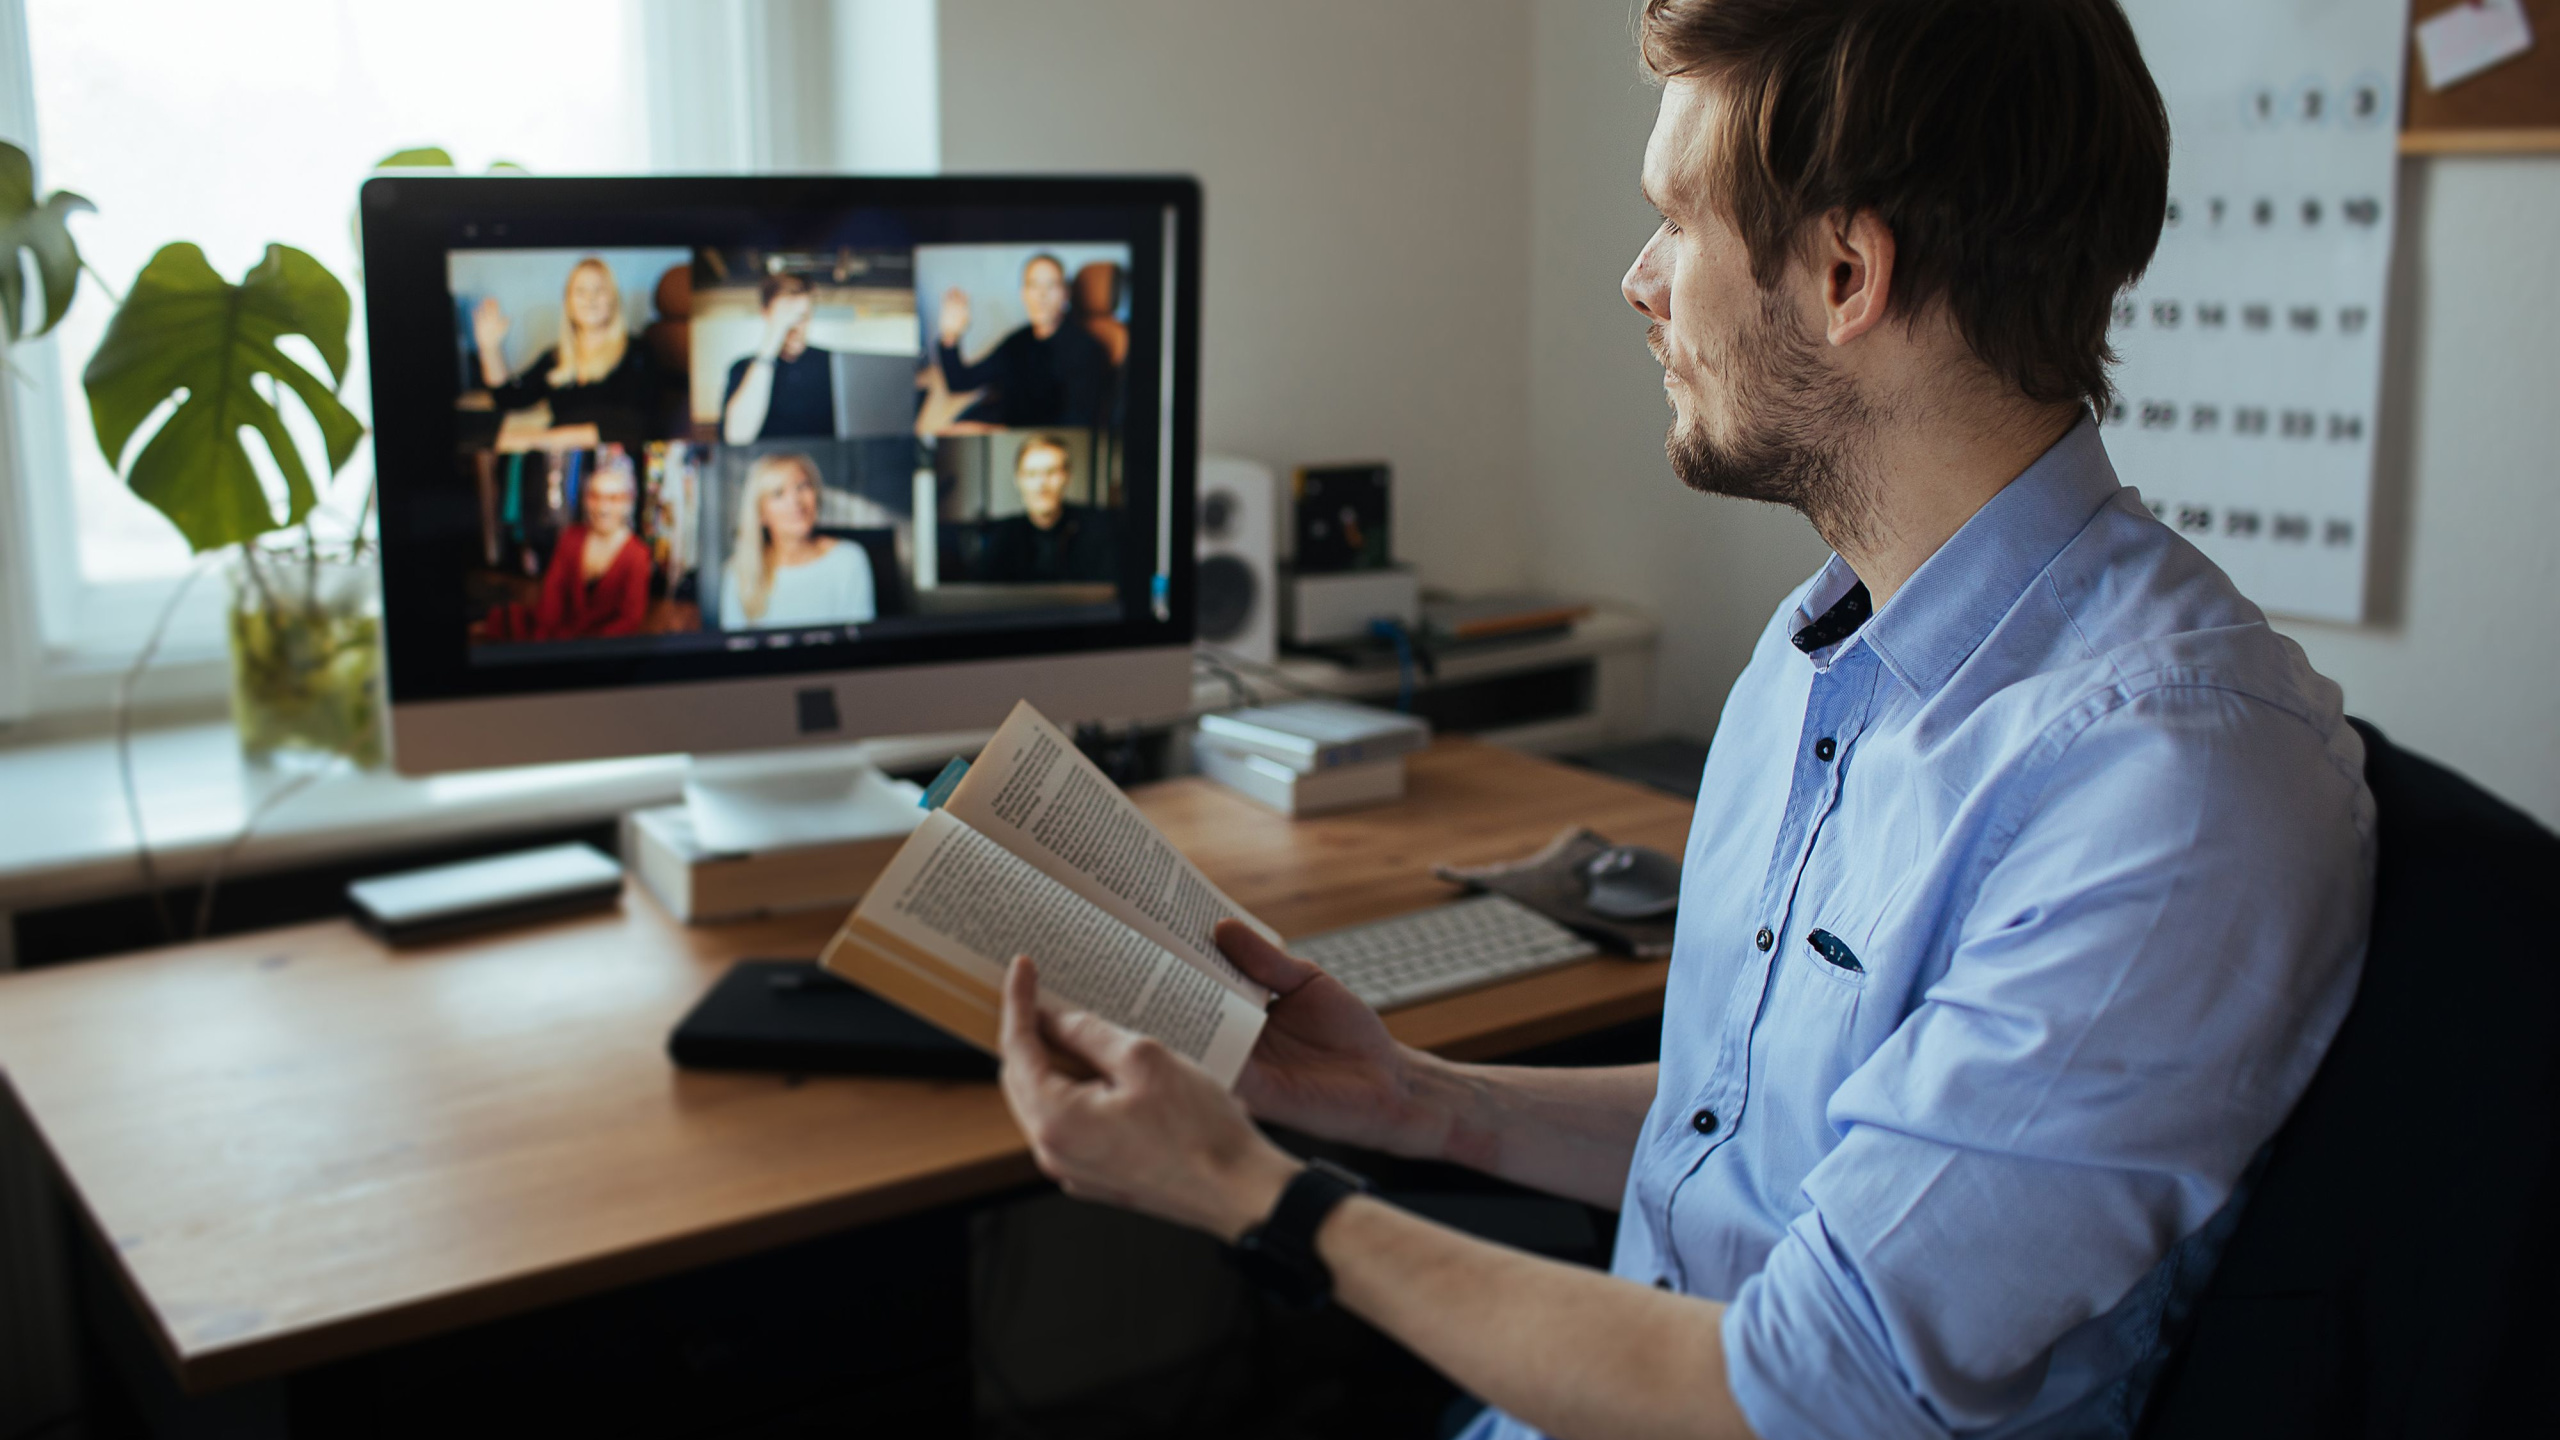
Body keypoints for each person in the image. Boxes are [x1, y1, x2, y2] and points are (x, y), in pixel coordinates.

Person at [987, 4, 2376, 1439]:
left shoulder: (2174, 787)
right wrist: (1410, 1099)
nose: (1640, 282)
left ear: (1847, 271)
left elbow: (1811, 1389)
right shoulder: (1818, 651)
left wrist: (1253, 1195)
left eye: (1676, 222)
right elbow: (1771, 1132)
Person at [474, 257, 659, 448]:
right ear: (568, 302)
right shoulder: (556, 358)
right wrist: (489, 349)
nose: (590, 298)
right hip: (559, 461)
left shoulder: (638, 352)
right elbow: (508, 398)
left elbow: (635, 425)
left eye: (600, 290)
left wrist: (542, 439)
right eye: (580, 291)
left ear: (613, 299)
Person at [930, 253, 1114, 428]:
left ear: (1065, 294)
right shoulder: (1017, 341)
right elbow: (959, 382)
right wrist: (950, 336)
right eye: (1033, 285)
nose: (1041, 295)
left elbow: (1073, 426)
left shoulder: (1087, 350)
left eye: (1051, 285)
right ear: (1023, 294)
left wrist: (994, 431)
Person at [720, 452, 875, 629]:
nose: (795, 502)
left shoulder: (849, 559)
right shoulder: (737, 572)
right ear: (761, 513)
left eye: (802, 486)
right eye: (778, 493)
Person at [528, 451, 651, 640]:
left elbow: (629, 621)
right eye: (596, 497)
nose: (603, 508)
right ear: (586, 500)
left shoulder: (637, 555)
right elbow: (550, 600)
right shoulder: (570, 538)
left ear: (628, 503)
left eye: (613, 498)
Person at [980, 433, 1118, 584]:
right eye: (1031, 474)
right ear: (1018, 479)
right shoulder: (1001, 537)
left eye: (1051, 472)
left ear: (1067, 476)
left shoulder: (1097, 529)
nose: (1041, 485)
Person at [721, 273, 837, 444]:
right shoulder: (741, 368)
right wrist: (771, 344)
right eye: (786, 316)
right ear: (765, 313)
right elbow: (737, 437)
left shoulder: (834, 363)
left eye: (802, 316)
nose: (795, 326)